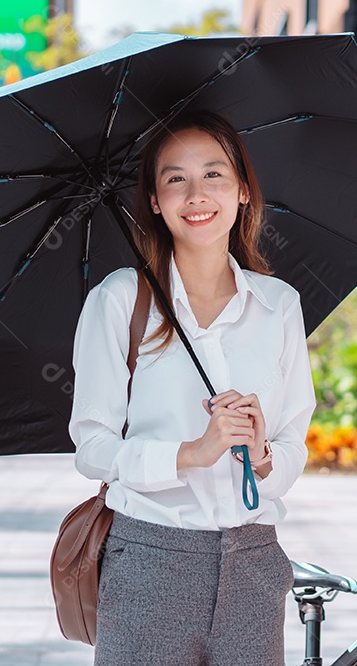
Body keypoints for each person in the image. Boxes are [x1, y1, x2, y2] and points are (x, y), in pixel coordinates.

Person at [67, 110, 316, 665]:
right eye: (175, 178)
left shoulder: (279, 306)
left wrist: (264, 454)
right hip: (151, 560)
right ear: (154, 200)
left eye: (214, 175)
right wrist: (192, 453)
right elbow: (93, 447)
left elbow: (296, 440)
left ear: (243, 190)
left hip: (254, 566)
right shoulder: (120, 301)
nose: (196, 194)